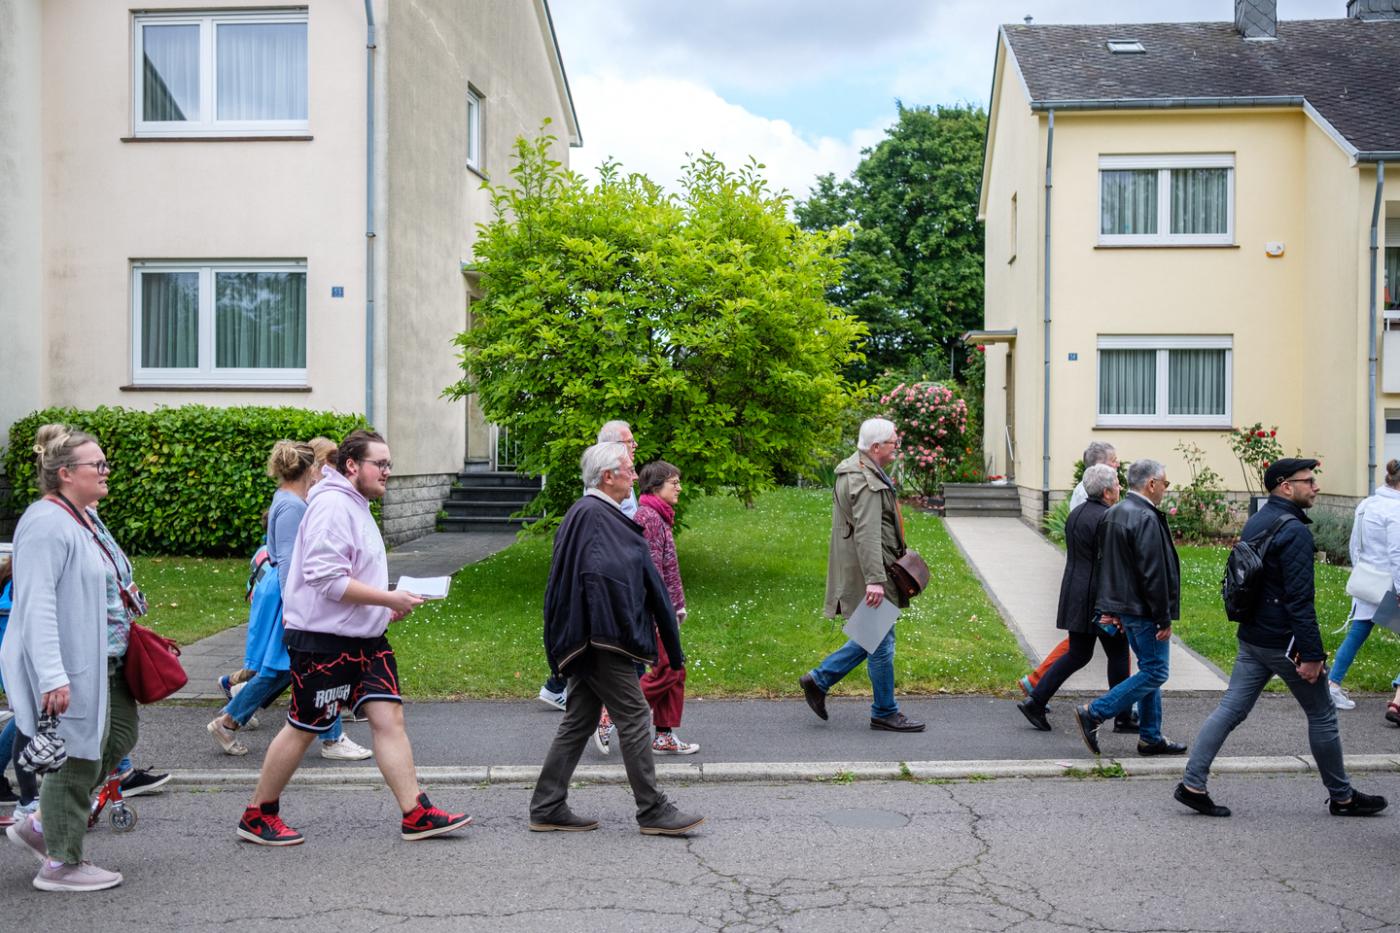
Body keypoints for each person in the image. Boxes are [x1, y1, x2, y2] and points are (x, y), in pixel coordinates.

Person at [236, 430, 469, 846]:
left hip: (366, 641)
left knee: (388, 718)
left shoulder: (354, 504)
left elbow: (352, 575)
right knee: (305, 727)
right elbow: (324, 578)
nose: (388, 472)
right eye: (380, 464)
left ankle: (415, 812)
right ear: (351, 466)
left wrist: (384, 606)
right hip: (323, 643)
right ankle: (258, 814)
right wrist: (386, 597)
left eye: (389, 464)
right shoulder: (330, 506)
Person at [1175, 460, 1388, 818]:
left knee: (1230, 709)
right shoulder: (1296, 532)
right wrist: (1312, 654)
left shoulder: (1260, 517)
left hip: (1253, 636)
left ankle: (1192, 784)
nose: (1316, 486)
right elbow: (1299, 600)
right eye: (1309, 481)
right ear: (1286, 486)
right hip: (1283, 643)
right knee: (1322, 715)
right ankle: (1343, 797)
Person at [529, 443, 704, 835]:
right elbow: (597, 578)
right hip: (601, 638)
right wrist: (619, 630)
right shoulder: (593, 515)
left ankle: (547, 805)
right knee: (636, 715)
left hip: (590, 635)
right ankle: (653, 810)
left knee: (579, 719)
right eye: (628, 469)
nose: (635, 476)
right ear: (607, 476)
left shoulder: (592, 513)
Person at [3, 424, 142, 891]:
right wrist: (51, 677)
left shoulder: (83, 515)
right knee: (77, 757)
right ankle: (61, 864)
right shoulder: (45, 523)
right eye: (96, 465)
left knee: (117, 737)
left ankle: (40, 823)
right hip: (75, 664)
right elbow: (36, 604)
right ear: (65, 473)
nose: (106, 472)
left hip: (108, 659)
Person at [209, 439, 370, 761]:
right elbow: (286, 561)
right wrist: (292, 608)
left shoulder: (290, 500)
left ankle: (229, 721)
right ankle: (332, 739)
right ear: (311, 468)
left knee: (291, 668)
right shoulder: (292, 506)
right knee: (312, 664)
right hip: (289, 597)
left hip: (290, 596)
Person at [800, 418, 925, 733]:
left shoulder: (853, 468)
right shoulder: (866, 481)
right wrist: (875, 580)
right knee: (881, 641)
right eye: (894, 442)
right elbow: (867, 533)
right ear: (876, 447)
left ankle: (821, 680)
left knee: (877, 634)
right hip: (872, 568)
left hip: (866, 565)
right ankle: (882, 710)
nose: (897, 447)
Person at [1072, 459, 1187, 757]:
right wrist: (1163, 618)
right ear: (1151, 484)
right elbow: (1153, 573)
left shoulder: (1115, 512)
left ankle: (1150, 737)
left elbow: (1106, 566)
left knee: (1149, 668)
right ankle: (1095, 712)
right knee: (1156, 671)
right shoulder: (1145, 517)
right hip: (1145, 610)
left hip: (1126, 608)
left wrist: (1111, 609)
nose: (1165, 489)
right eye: (1165, 483)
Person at [1017, 465, 1131, 731]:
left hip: (1075, 593)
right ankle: (1124, 715)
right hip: (1099, 599)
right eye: (1117, 483)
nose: (1120, 487)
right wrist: (1112, 608)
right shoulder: (1108, 518)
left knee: (1079, 653)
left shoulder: (1076, 513)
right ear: (1106, 491)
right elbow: (1109, 567)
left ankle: (1036, 700)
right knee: (1118, 654)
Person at [538, 420, 641, 714]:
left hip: (619, 577)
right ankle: (610, 711)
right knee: (626, 693)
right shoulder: (605, 485)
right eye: (628, 441)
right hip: (610, 582)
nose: (634, 446)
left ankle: (559, 688)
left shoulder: (623, 477)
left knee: (579, 716)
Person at [634, 461, 697, 755]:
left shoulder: (659, 515)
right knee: (668, 670)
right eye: (674, 483)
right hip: (657, 613)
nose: (679, 488)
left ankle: (664, 736)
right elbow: (651, 573)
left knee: (676, 670)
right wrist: (662, 614)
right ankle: (612, 716)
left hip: (667, 611)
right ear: (656, 486)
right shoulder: (648, 518)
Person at [1327, 459, 1400, 711]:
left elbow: (1353, 545)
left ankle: (1333, 686)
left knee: (1357, 632)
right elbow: (1397, 553)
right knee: (1358, 632)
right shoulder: (1396, 510)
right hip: (1389, 585)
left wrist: (1360, 570)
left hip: (1368, 581)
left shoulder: (1367, 504)